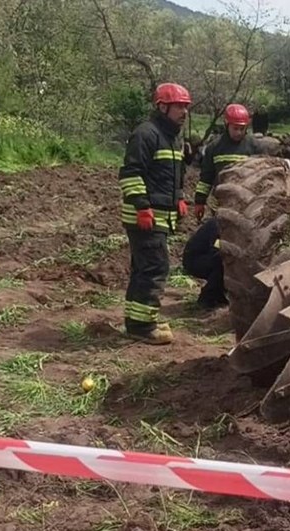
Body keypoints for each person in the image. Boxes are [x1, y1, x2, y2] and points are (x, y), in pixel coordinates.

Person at [117, 82, 192, 345]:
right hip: (145, 217)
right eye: (179, 107)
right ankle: (143, 327)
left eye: (186, 107)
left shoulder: (173, 137)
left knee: (144, 268)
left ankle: (138, 322)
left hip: (159, 216)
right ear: (162, 107)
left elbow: (174, 173)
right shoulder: (146, 134)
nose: (184, 112)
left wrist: (180, 197)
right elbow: (130, 173)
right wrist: (142, 206)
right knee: (155, 267)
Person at [193, 104, 257, 219]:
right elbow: (206, 177)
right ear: (227, 125)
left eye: (242, 129)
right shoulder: (214, 147)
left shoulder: (254, 146)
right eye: (235, 128)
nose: (239, 132)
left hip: (247, 204)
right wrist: (199, 201)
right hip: (220, 203)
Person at [182, 218, 225, 309]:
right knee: (222, 263)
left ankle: (219, 296)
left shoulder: (221, 224)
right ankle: (207, 297)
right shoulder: (218, 225)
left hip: (203, 257)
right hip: (194, 260)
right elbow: (216, 251)